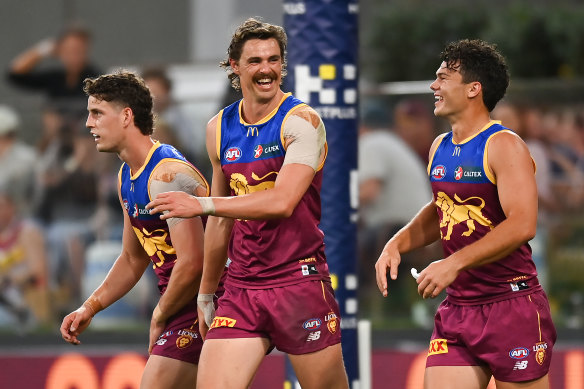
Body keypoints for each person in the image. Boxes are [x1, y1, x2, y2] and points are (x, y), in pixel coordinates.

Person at [147, 18, 349, 389]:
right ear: (234, 66)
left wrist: (203, 205)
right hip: (242, 289)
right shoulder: (219, 128)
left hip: (297, 282)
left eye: (274, 59)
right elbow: (223, 220)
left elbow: (283, 202)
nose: (267, 69)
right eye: (255, 60)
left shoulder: (302, 121)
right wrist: (207, 291)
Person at [375, 39, 556, 388]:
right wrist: (396, 244)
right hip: (458, 309)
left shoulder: (504, 145)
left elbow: (523, 224)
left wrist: (452, 263)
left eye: (443, 78)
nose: (434, 86)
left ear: (474, 89)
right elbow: (441, 208)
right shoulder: (439, 146)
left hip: (512, 306)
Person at [59, 71, 210, 388]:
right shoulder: (126, 175)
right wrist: (90, 307)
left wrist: (159, 313)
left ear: (127, 116)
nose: (89, 124)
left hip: (208, 302)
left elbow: (193, 262)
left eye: (97, 113)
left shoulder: (166, 175)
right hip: (181, 303)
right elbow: (132, 258)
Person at [6, 24, 101, 125]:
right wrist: (44, 49)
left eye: (78, 50)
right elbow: (15, 74)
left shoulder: (96, 80)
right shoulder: (56, 78)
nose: (73, 56)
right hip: (55, 137)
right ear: (60, 50)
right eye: (68, 50)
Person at [0, 188, 51, 329]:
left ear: (12, 208)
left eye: (2, 206)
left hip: (23, 296)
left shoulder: (26, 232)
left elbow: (38, 271)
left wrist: (8, 279)